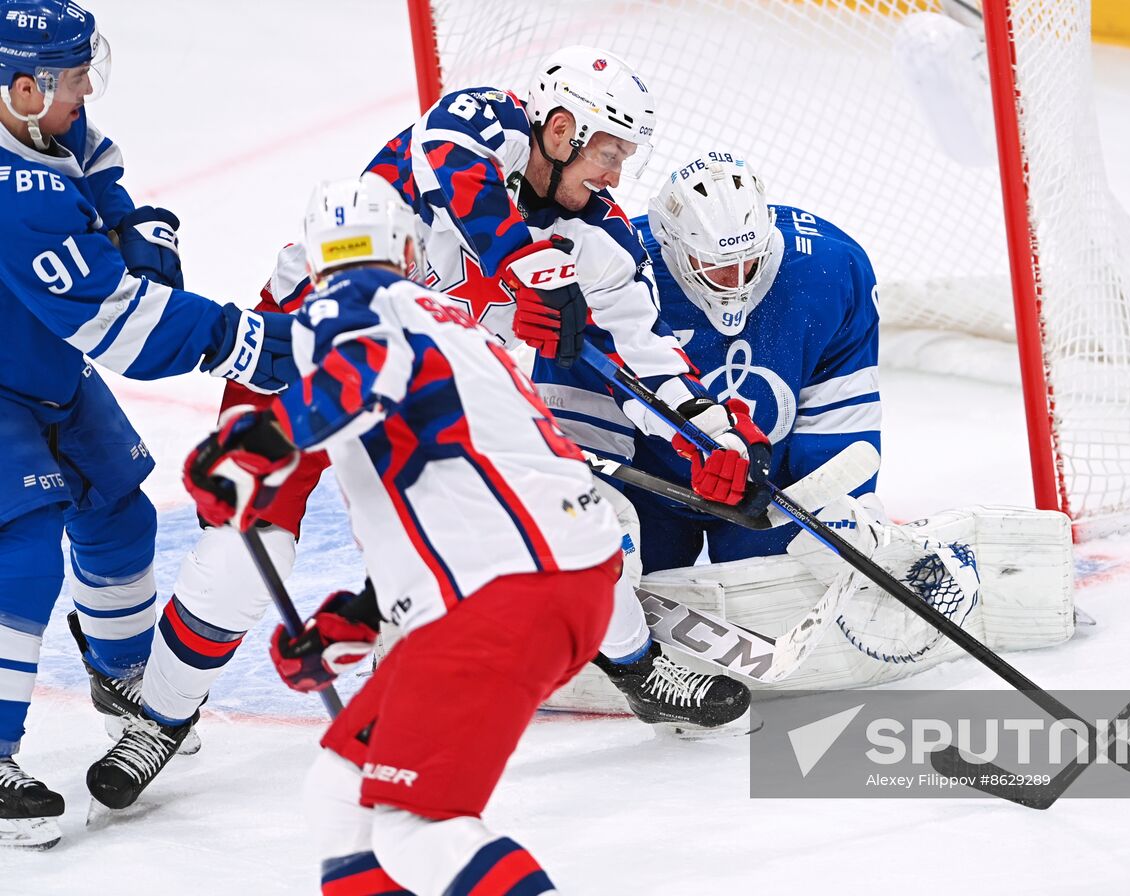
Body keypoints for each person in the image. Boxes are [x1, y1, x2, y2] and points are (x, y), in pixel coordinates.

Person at [130, 48, 754, 766]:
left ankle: (636, 668)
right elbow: (453, 167)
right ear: (559, 130)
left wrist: (711, 438)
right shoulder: (478, 123)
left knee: (568, 514)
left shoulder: (601, 241)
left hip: (432, 388)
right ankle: (159, 718)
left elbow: (646, 356)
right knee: (244, 560)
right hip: (297, 352)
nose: (616, 176)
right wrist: (526, 266)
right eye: (609, 153)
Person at [184, 173, 621, 895]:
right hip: (551, 580)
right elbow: (458, 489)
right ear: (409, 245)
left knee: (419, 824)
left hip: (505, 594)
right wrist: (364, 613)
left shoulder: (357, 304)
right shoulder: (453, 325)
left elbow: (364, 369)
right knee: (342, 796)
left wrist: (264, 439)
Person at [0, 0, 293, 846]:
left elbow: (100, 176)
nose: (88, 87)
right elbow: (115, 320)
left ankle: (122, 676)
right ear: (22, 86)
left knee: (119, 509)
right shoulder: (12, 199)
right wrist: (231, 337)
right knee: (21, 546)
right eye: (73, 74)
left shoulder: (45, 119)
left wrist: (138, 229)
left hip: (42, 367)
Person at [531, 149, 882, 573]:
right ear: (672, 247)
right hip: (648, 484)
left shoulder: (830, 270)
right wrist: (599, 518)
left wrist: (839, 504)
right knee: (612, 582)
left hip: (768, 485)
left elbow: (839, 410)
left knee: (791, 593)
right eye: (716, 267)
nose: (736, 282)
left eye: (748, 262)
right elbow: (580, 419)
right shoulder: (611, 270)